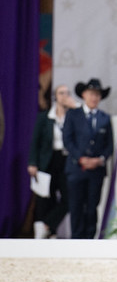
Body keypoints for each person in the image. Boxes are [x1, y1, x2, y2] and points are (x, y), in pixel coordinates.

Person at [63, 78, 114, 239]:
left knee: (92, 206)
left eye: (97, 95)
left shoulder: (105, 118)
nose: (94, 97)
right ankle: (76, 238)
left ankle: (90, 239)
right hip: (76, 169)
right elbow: (68, 140)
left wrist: (100, 159)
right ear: (84, 95)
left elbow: (109, 145)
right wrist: (81, 158)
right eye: (92, 94)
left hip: (96, 170)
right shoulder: (73, 114)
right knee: (76, 205)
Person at [27, 85, 77, 238]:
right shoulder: (45, 117)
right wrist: (32, 162)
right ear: (55, 96)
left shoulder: (73, 116)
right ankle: (48, 232)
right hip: (48, 159)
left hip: (66, 160)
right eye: (61, 93)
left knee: (68, 199)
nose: (64, 96)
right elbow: (35, 141)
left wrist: (75, 108)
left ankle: (47, 224)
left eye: (67, 93)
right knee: (46, 196)